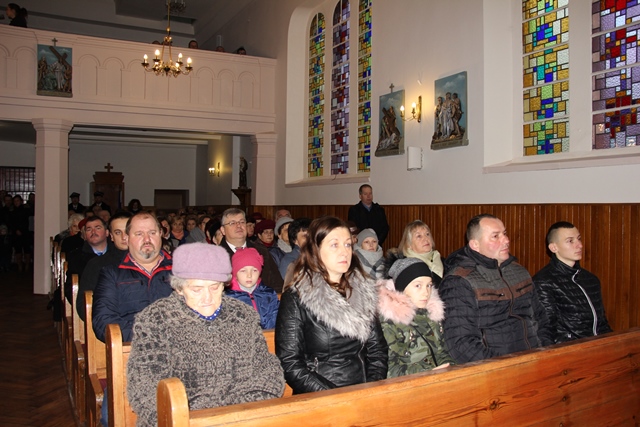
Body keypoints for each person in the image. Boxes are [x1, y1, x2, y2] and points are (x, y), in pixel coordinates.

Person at [127, 243, 284, 426]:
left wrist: (239, 415)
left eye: (214, 287)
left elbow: (266, 371)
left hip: (240, 418)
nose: (207, 298)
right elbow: (145, 388)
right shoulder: (156, 320)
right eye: (197, 289)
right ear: (179, 288)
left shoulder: (242, 316)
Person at [275, 216, 388, 394]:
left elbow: (377, 351)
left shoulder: (363, 291)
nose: (344, 252)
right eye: (334, 245)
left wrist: (369, 390)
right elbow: (290, 362)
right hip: (320, 393)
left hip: (363, 389)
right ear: (315, 249)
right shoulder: (297, 298)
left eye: (348, 244)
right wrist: (335, 397)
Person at [439, 214, 552, 364]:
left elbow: (541, 318)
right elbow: (461, 344)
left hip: (535, 360)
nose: (506, 240)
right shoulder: (459, 281)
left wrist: (544, 352)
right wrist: (503, 365)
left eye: (504, 233)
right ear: (475, 245)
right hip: (496, 368)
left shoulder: (519, 272)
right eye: (495, 236)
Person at [92, 212, 173, 342]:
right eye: (139, 234)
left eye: (152, 233)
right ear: (127, 238)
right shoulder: (112, 274)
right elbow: (103, 320)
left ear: (161, 234)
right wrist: (146, 337)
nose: (147, 239)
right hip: (133, 348)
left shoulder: (182, 271)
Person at [533, 221, 612, 343]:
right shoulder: (543, 282)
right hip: (572, 349)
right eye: (570, 241)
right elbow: (546, 329)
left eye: (579, 239)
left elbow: (601, 323)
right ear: (554, 247)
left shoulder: (591, 279)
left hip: (599, 346)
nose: (579, 245)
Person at [378, 257, 454, 378]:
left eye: (429, 285)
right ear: (402, 287)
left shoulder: (430, 314)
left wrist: (451, 368)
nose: (426, 292)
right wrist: (429, 372)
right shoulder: (389, 321)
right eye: (418, 286)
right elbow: (390, 369)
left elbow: (442, 352)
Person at [76, 211, 132, 320]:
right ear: (111, 236)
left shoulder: (148, 262)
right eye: (118, 232)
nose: (124, 237)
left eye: (127, 231)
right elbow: (83, 305)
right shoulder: (97, 265)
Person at [218, 208, 284, 292]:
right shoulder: (216, 255)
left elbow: (277, 283)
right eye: (232, 223)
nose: (239, 226)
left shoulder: (260, 251)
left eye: (242, 222)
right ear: (223, 230)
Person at [225, 248, 279, 329]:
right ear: (235, 273)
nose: (249, 275)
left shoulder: (269, 294)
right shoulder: (228, 298)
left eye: (254, 270)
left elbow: (276, 320)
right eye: (243, 271)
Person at [64, 216, 112, 303]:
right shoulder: (76, 257)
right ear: (85, 235)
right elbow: (71, 287)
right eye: (89, 229)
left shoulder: (118, 254)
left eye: (97, 228)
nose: (93, 232)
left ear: (107, 232)